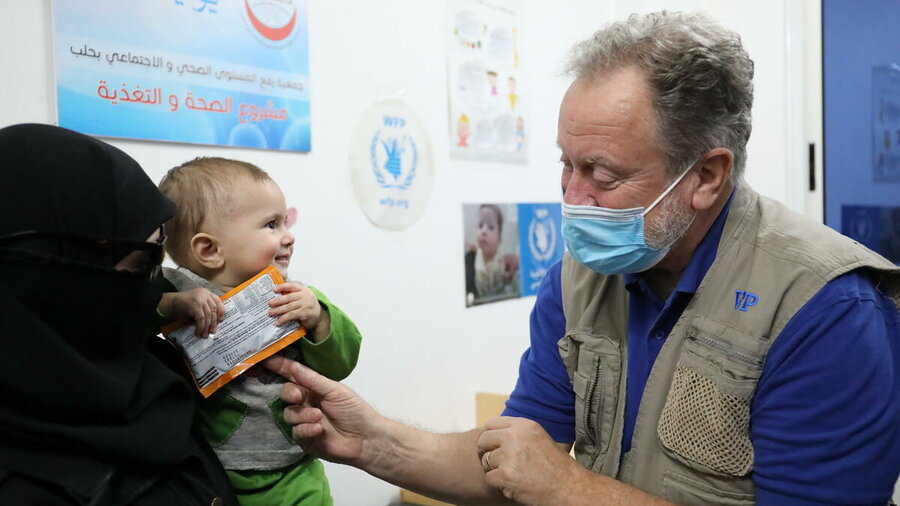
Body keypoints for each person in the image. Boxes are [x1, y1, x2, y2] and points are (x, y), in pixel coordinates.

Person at [269, 11, 900, 505]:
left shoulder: (828, 310)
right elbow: (512, 459)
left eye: (600, 173)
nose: (573, 199)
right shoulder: (578, 282)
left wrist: (571, 490)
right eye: (565, 165)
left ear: (706, 174)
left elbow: (548, 478)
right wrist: (371, 441)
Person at [0, 123, 237, 505]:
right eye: (141, 261)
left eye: (159, 251)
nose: (155, 283)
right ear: (49, 277)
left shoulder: (152, 374)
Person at [157, 157, 362, 505]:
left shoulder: (292, 297)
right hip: (212, 470)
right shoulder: (173, 291)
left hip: (293, 466)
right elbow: (126, 313)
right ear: (209, 249)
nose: (289, 236)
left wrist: (319, 318)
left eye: (284, 222)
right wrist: (173, 304)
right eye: (271, 224)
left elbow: (342, 362)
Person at [465, 204, 520, 306]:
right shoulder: (469, 260)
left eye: (490, 227)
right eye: (480, 225)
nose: (483, 231)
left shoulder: (507, 266)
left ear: (499, 238)